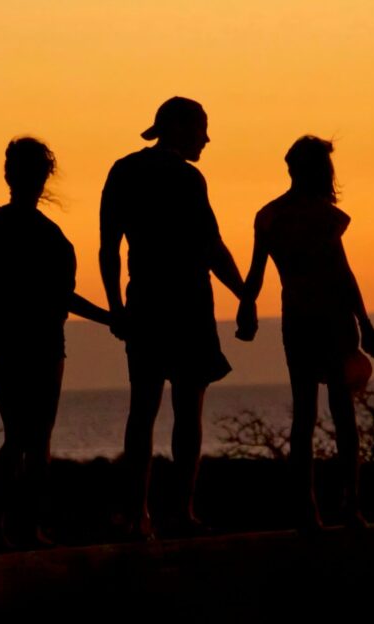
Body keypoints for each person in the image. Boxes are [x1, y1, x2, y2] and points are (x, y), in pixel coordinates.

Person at [99, 97, 244, 539]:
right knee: (186, 412)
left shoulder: (123, 171)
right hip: (187, 305)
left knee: (141, 411)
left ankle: (137, 514)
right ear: (179, 128)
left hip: (143, 302)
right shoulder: (187, 178)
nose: (206, 138)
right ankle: (180, 511)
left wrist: (116, 309)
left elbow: (109, 248)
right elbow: (212, 247)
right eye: (201, 128)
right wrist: (245, 294)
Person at [0, 137, 110, 547]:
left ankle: (8, 526)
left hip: (14, 345)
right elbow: (60, 297)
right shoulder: (48, 236)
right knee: (34, 439)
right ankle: (23, 526)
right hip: (41, 346)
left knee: (19, 437)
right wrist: (111, 318)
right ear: (43, 177)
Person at [237, 135, 374, 533]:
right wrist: (365, 324)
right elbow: (343, 276)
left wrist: (247, 309)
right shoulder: (325, 216)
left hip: (297, 320)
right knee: (342, 414)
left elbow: (256, 273)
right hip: (331, 320)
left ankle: (308, 508)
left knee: (306, 415)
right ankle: (348, 505)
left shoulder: (269, 216)